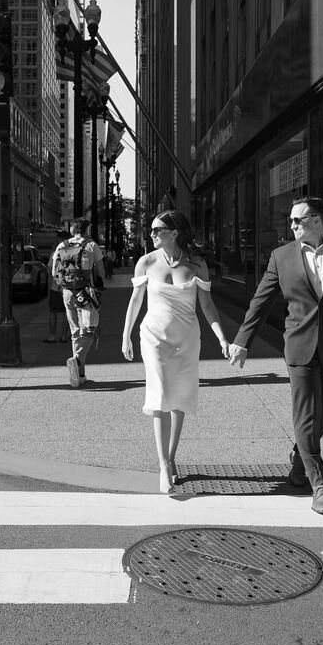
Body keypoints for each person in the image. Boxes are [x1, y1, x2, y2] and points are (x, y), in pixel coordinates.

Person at [228, 197, 323, 515]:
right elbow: (260, 302)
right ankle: (319, 484)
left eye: (299, 220)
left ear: (318, 221)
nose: (291, 225)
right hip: (299, 348)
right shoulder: (281, 257)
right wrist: (242, 341)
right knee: (305, 416)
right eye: (290, 220)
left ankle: (300, 457)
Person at [121, 210, 230, 494]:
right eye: (152, 230)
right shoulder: (146, 262)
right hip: (154, 337)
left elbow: (207, 305)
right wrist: (126, 335)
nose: (152, 235)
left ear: (175, 233)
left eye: (158, 230)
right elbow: (135, 302)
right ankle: (164, 466)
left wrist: (221, 338)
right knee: (159, 394)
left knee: (179, 395)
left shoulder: (196, 265)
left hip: (187, 338)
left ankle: (170, 456)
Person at [51, 218, 105, 387]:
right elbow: (102, 272)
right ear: (87, 229)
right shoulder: (91, 245)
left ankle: (79, 376)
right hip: (85, 293)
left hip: (67, 292)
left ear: (73, 229)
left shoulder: (62, 245)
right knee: (90, 329)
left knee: (75, 332)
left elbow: (54, 272)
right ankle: (77, 360)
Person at [45, 229, 70, 344]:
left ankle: (52, 336)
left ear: (59, 239)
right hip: (68, 287)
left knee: (53, 311)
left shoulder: (56, 253)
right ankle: (65, 336)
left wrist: (50, 286)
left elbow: (49, 271)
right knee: (67, 313)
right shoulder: (72, 252)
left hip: (56, 287)